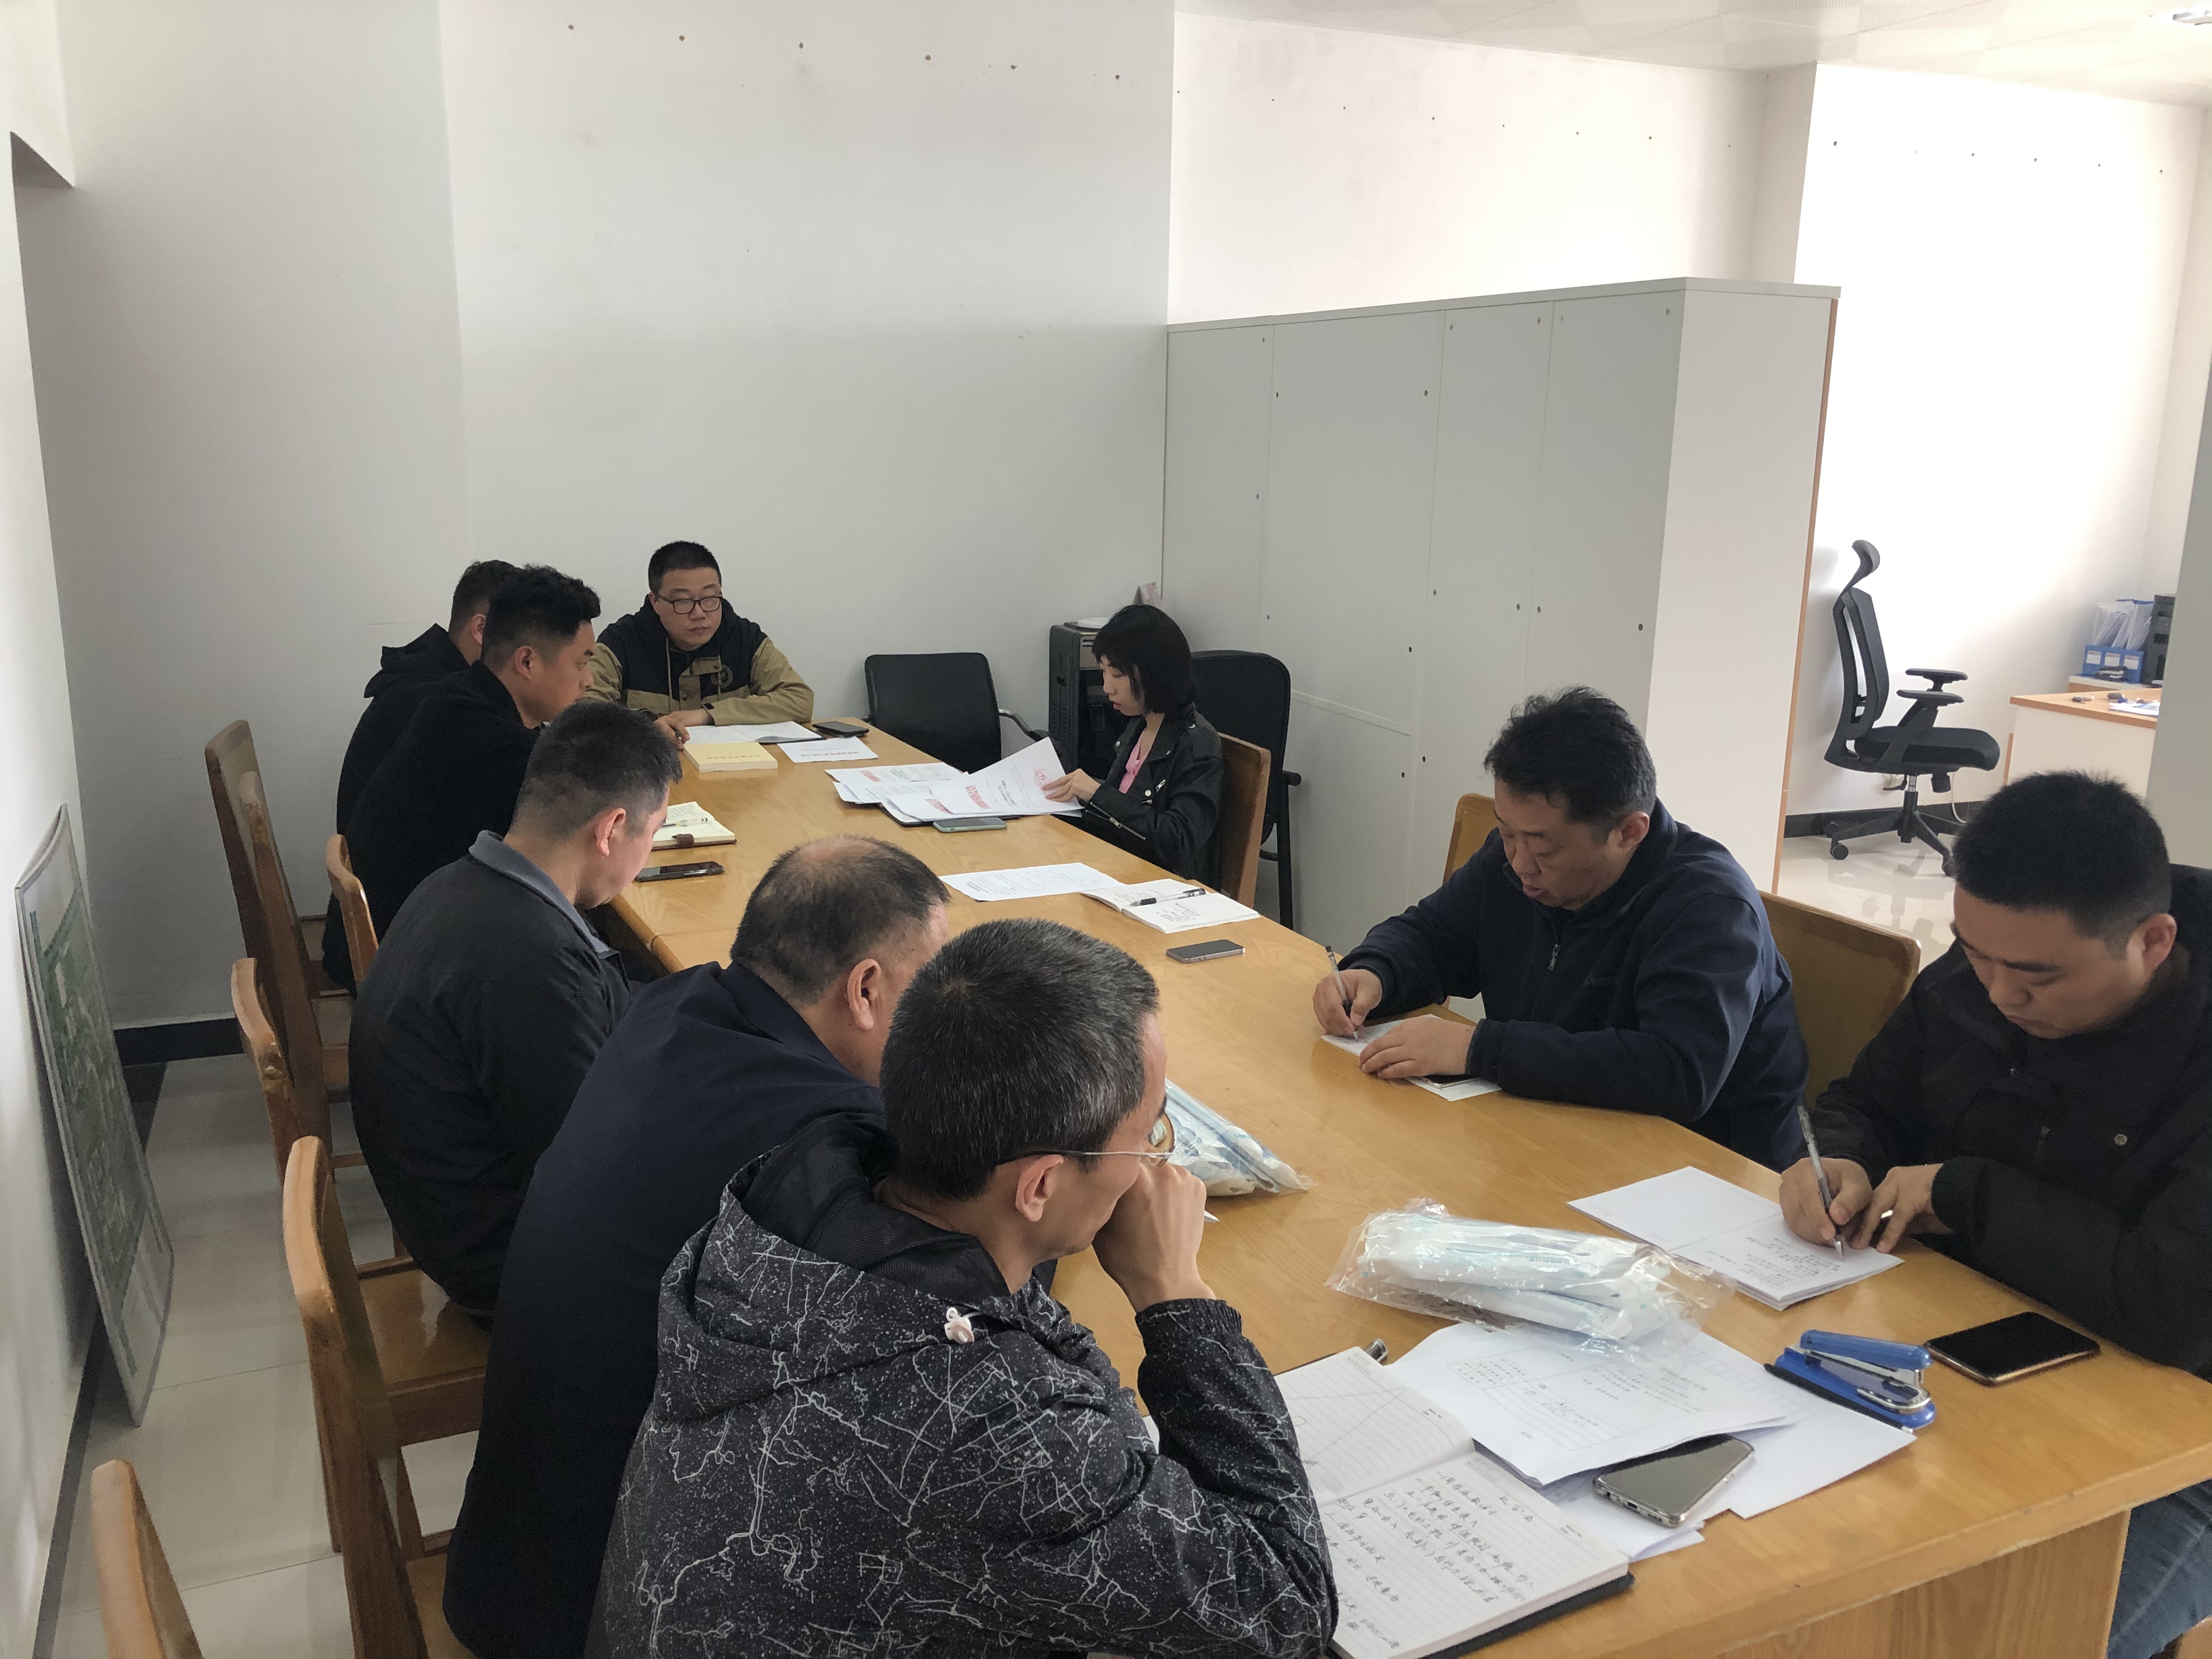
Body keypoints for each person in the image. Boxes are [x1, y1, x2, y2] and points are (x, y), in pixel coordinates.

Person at [589, 918, 1336, 1659]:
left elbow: (1052, 1373)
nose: (1155, 1167)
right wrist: (1176, 1298)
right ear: (1040, 1185)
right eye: (1148, 1137)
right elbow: (1286, 1598)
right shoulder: (987, 1429)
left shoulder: (799, 1213)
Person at [444, 837, 951, 1659]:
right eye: (929, 1001)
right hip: (608, 1605)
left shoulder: (671, 1006)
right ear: (865, 990)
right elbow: (964, 1300)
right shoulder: (821, 1132)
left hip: (513, 1551)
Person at [1778, 772, 2212, 1659]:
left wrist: (1961, 1193)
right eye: (1975, 955)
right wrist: (1840, 1157)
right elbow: (1867, 1098)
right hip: (1966, 1348)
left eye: (2037, 976)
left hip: (2178, 1443)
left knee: (2012, 1632)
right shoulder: (1992, 957)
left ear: (2153, 940)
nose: (2001, 993)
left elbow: (2173, 1307)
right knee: (1795, 1582)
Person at [1314, 687, 1807, 1166]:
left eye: (1543, 848)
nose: (1519, 863)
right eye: (1507, 832)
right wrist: (1376, 972)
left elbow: (1676, 1072)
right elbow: (1433, 936)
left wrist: (1479, 1049)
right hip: (1545, 1128)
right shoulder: (1515, 860)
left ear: (1629, 832)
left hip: (1697, 1172)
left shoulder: (1710, 907)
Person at [349, 700, 679, 1322]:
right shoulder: (529, 963)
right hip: (513, 1270)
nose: (648, 853)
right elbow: (603, 1171)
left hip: (469, 1215)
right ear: (611, 829)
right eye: (655, 832)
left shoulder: (463, 882)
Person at [345, 565, 600, 940]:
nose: (588, 680)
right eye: (581, 663)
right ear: (527, 662)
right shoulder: (492, 743)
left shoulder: (458, 696)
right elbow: (577, 862)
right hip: (419, 949)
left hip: (415, 927)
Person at [324, 558, 518, 991]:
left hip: (390, 914)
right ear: (482, 629)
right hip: (398, 944)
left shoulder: (428, 678)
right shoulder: (440, 703)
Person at [1044, 602, 1225, 885]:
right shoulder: (1139, 725)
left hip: (1156, 888)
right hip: (1116, 868)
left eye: (1117, 675)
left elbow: (1178, 842)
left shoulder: (1196, 746)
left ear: (1153, 673)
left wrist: (1097, 794)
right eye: (1103, 673)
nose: (1107, 688)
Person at [584, 538, 813, 740]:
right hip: (647, 768)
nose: (699, 614)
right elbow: (583, 712)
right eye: (682, 601)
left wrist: (708, 715)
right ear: (655, 602)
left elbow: (799, 699)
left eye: (710, 598)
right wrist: (648, 727)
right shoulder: (621, 642)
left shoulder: (744, 638)